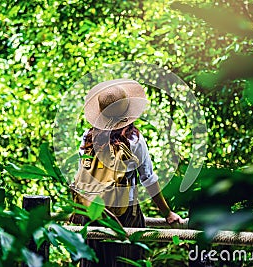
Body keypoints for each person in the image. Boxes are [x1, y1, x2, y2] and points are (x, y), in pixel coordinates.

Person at [71, 79, 184, 267]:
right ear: (126, 113)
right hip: (126, 216)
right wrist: (167, 213)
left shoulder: (88, 137)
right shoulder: (134, 140)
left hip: (92, 215)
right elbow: (148, 179)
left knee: (94, 262)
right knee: (127, 261)